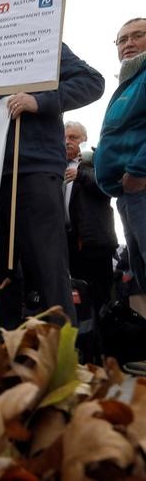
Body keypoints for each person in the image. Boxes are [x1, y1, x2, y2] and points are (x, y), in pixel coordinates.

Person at [0, 0, 105, 328]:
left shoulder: (38, 50)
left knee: (48, 267)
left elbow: (92, 82)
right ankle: (4, 351)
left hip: (34, 172)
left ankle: (62, 353)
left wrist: (38, 101)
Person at [94, 18, 146, 308]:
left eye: (137, 36)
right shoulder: (132, 80)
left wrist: (139, 171)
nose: (128, 43)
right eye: (122, 39)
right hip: (129, 194)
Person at [63, 122, 118, 316]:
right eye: (65, 138)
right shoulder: (58, 166)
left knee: (101, 300)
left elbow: (108, 186)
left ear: (84, 140)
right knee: (79, 298)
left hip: (95, 243)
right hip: (70, 245)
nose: (68, 142)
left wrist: (81, 175)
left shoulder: (96, 161)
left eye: (74, 138)